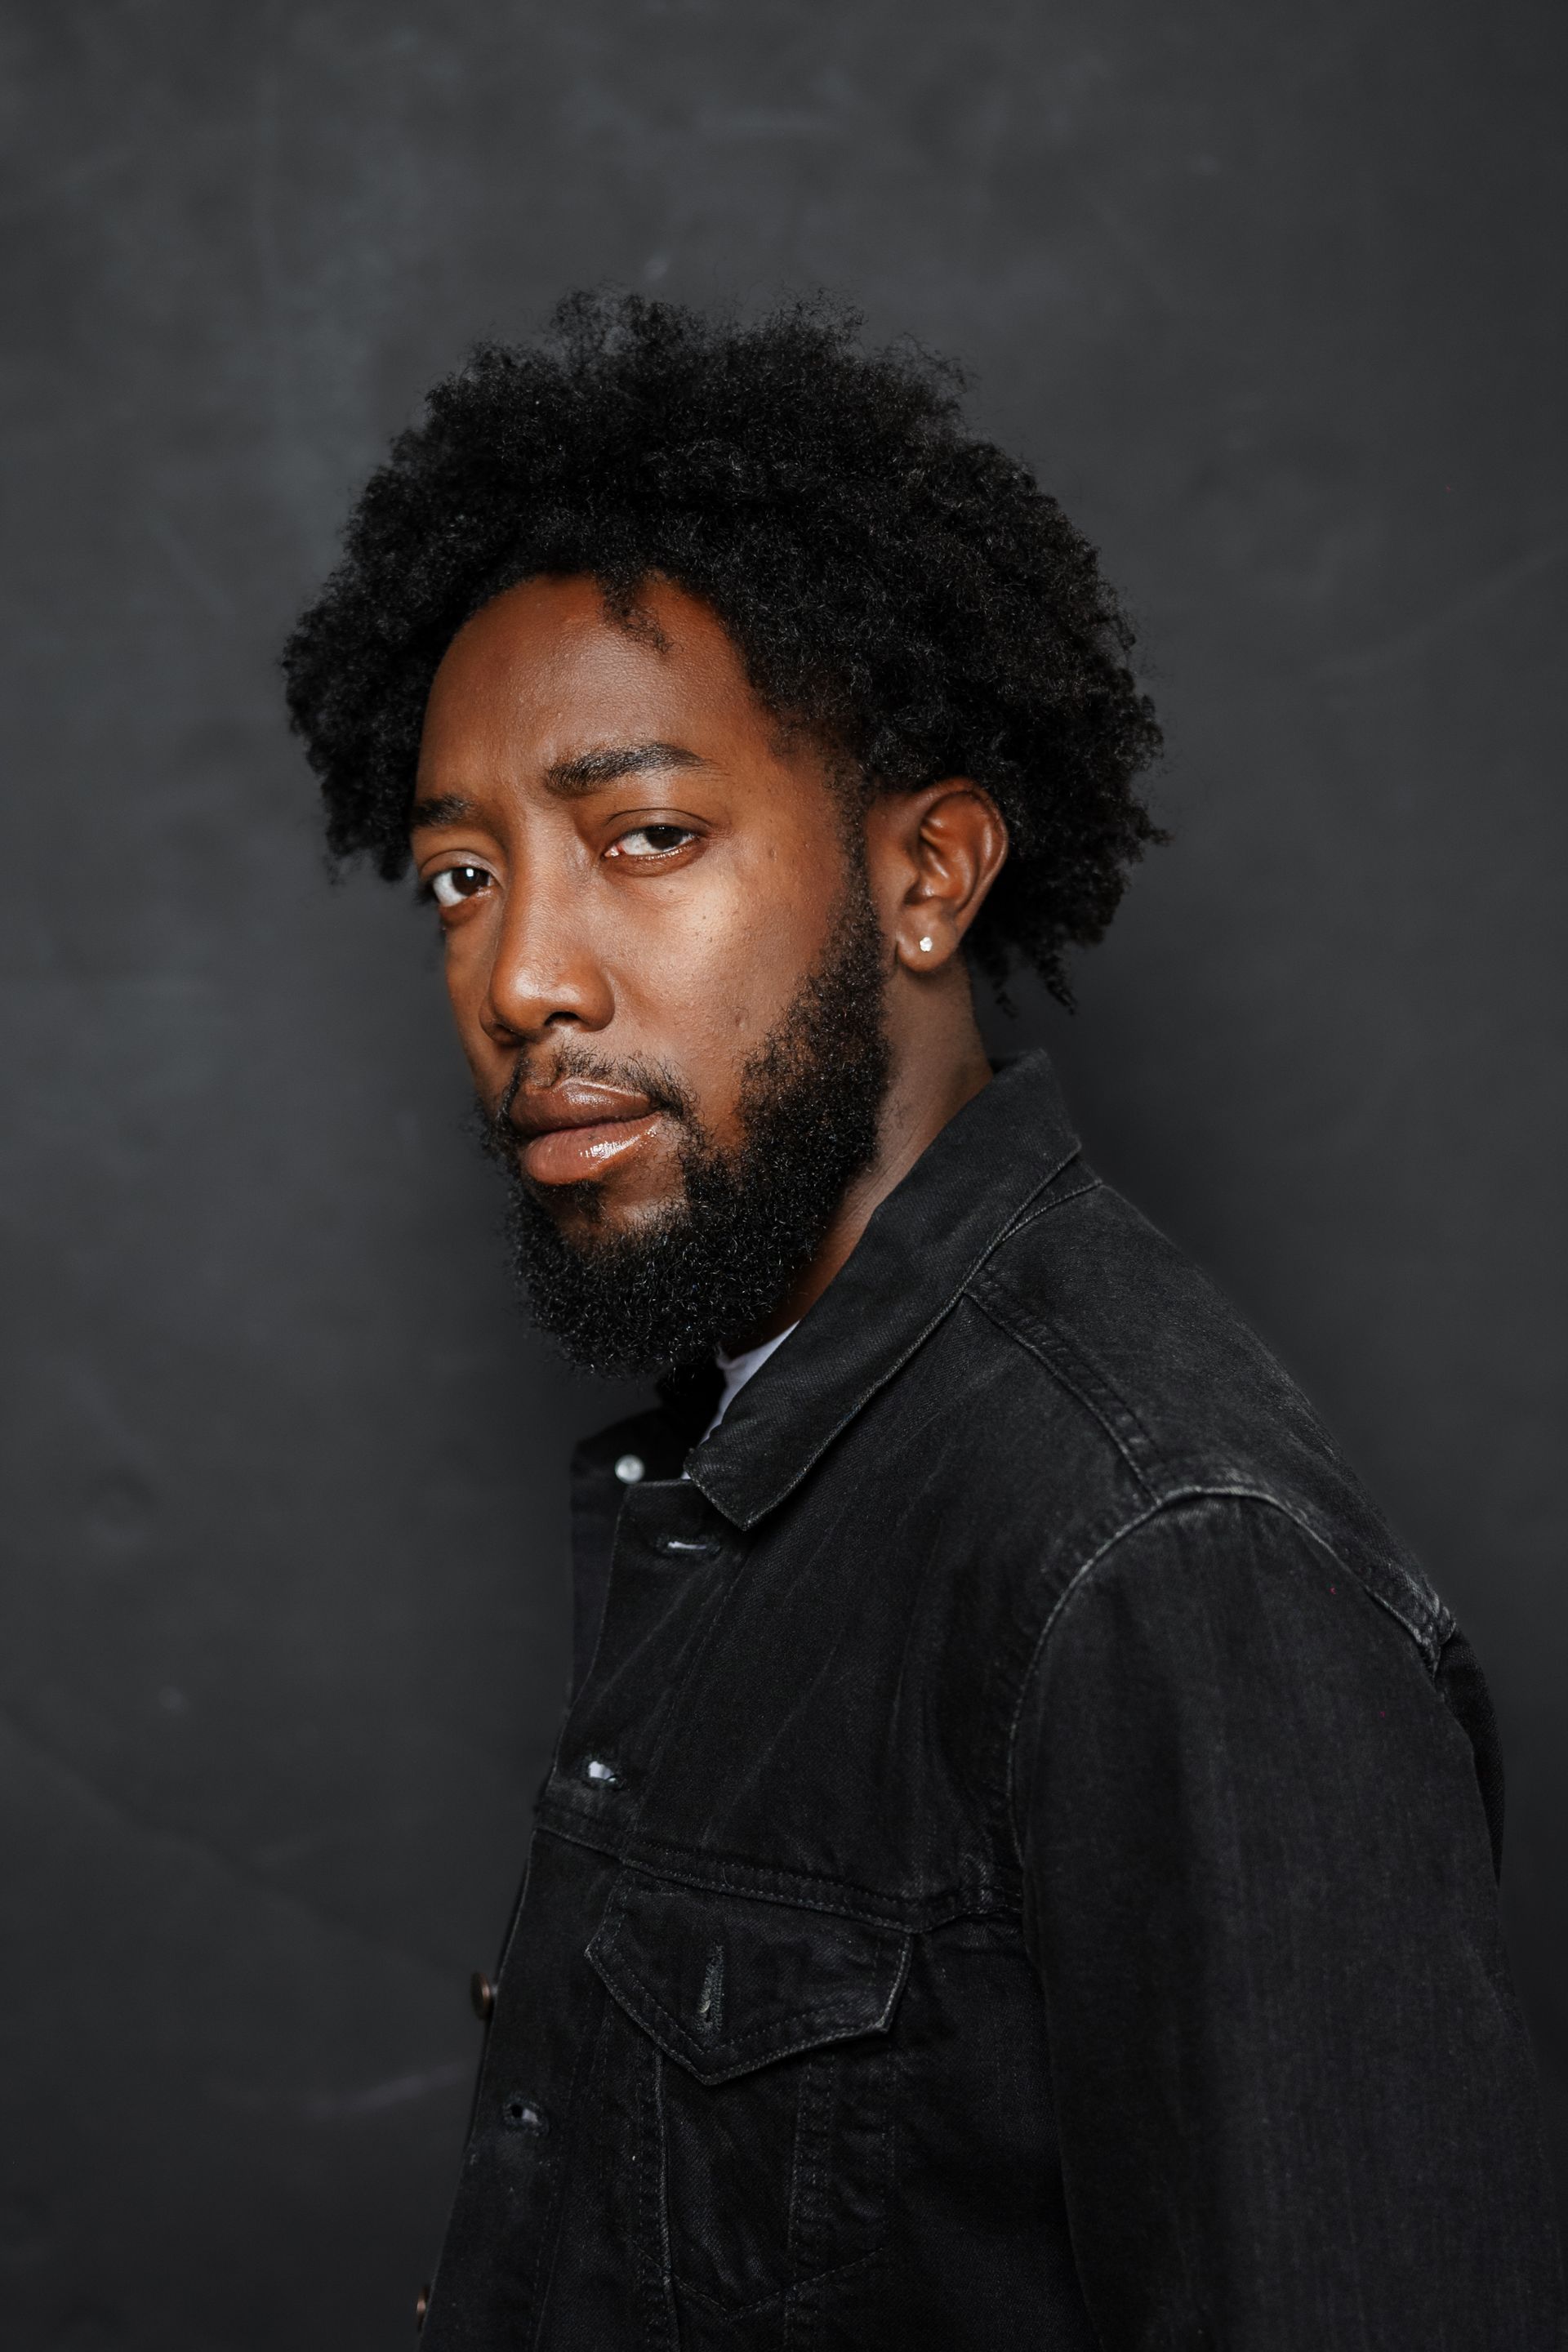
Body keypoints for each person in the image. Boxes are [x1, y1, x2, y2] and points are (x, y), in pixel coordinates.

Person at [284, 293, 1565, 2350]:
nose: (522, 978)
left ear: (930, 875)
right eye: (459, 877)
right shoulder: (756, 1448)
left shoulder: (1163, 1562)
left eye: (647, 838)